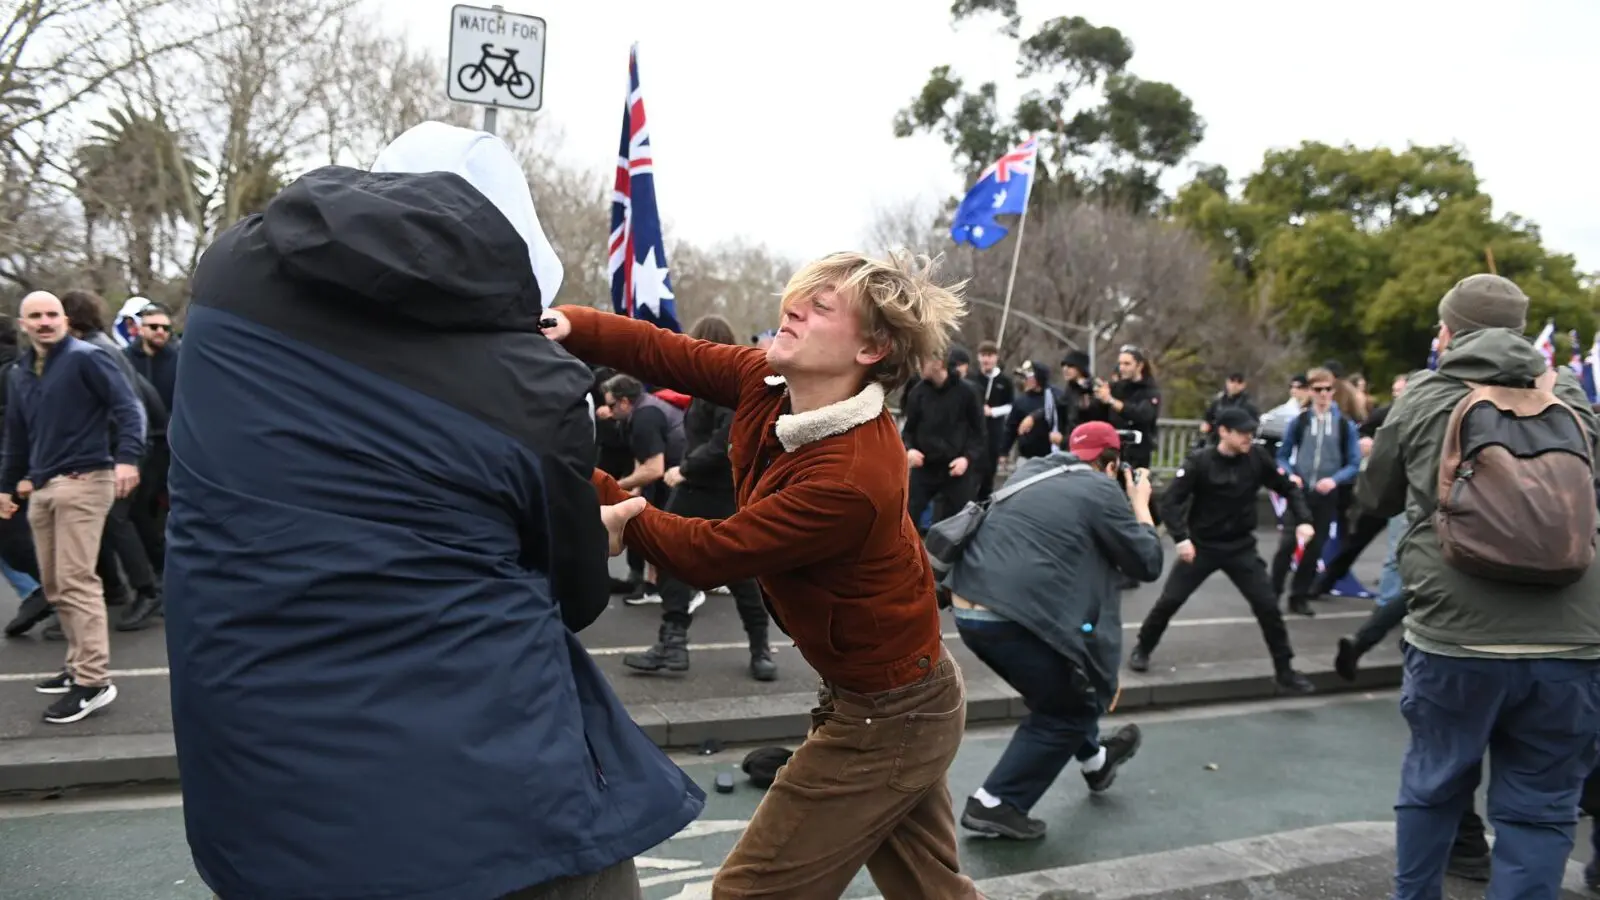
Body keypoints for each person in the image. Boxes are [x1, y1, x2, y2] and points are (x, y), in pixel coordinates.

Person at [163, 121, 701, 900]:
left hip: (253, 789)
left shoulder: (227, 278)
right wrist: (601, 532)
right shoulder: (537, 388)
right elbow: (575, 595)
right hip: (485, 810)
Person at [544, 249, 981, 899]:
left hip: (891, 713)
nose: (793, 307)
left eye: (821, 306)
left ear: (871, 349)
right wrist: (568, 326)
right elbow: (667, 353)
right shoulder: (769, 381)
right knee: (929, 889)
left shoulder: (851, 478)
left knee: (750, 893)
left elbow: (709, 553)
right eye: (797, 296)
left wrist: (586, 486)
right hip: (890, 693)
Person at [1358, 273, 1600, 900]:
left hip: (1454, 634)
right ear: (1520, 330)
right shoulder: (1569, 394)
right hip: (1572, 638)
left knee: (1434, 782)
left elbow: (1375, 494)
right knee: (1544, 804)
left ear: (1450, 330)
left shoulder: (1426, 395)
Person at [947, 421, 1163, 840]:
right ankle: (996, 803)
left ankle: (1097, 763)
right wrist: (1140, 503)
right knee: (1066, 710)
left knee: (1061, 690)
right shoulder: (1101, 489)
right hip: (1016, 618)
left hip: (969, 610)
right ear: (1112, 464)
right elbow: (1147, 562)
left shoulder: (1030, 472)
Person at [0, 291, 144, 724]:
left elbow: (128, 407)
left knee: (77, 580)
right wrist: (7, 487)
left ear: (64, 319)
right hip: (43, 485)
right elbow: (17, 438)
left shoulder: (86, 358)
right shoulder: (21, 373)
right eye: (35, 316)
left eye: (51, 314)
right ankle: (77, 664)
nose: (45, 322)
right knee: (54, 583)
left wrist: (128, 459)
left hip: (85, 480)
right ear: (23, 325)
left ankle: (93, 680)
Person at [624, 314, 776, 682]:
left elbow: (724, 438)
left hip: (703, 487)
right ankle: (760, 651)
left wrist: (685, 469)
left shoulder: (718, 385)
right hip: (732, 489)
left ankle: (674, 642)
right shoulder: (732, 382)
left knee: (672, 556)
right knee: (742, 570)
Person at [1129, 407, 1316, 695]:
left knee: (1267, 606)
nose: (1248, 437)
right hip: (1202, 546)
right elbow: (1171, 502)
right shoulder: (1200, 462)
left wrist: (1303, 519)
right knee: (1170, 600)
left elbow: (1288, 488)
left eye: (1251, 432)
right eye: (1242, 432)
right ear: (1223, 431)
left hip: (1241, 547)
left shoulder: (1257, 458)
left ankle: (1285, 670)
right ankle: (1143, 647)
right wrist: (1181, 538)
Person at [1270, 366, 1362, 617]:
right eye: (1318, 389)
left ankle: (1298, 596)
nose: (1323, 394)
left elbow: (1354, 462)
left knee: (1315, 546)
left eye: (1327, 389)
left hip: (1325, 493)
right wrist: (1291, 474)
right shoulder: (1299, 421)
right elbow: (1282, 455)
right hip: (1299, 491)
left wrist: (1335, 480)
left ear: (1334, 391)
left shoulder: (1344, 425)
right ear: (1310, 391)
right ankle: (1272, 593)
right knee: (1288, 542)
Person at [604, 372, 687, 605]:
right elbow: (642, 457)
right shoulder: (639, 411)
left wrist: (614, 487)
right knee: (647, 520)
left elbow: (654, 468)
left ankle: (673, 587)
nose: (608, 412)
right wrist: (635, 488)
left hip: (677, 474)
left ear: (624, 402)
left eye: (611, 405)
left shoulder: (645, 417)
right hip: (671, 471)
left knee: (660, 528)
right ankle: (652, 585)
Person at [902, 353, 984, 532]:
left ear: (938, 362)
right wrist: (909, 450)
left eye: (922, 361)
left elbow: (978, 433)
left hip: (956, 468)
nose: (918, 366)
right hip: (925, 465)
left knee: (955, 526)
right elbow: (908, 431)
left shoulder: (967, 392)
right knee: (906, 518)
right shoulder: (917, 393)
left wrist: (967, 459)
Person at [1097, 345, 1160, 469]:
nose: (1122, 368)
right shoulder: (1117, 388)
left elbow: (1143, 414)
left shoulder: (1150, 391)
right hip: (1114, 449)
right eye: (1120, 364)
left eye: (1127, 364)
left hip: (1138, 451)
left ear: (1139, 365)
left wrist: (1111, 401)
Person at [968, 339, 1014, 502]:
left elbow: (1011, 406)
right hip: (973, 435)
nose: (986, 359)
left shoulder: (1004, 382)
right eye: (983, 355)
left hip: (994, 434)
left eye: (990, 355)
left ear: (996, 358)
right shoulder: (971, 379)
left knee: (988, 476)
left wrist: (992, 411)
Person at [1199, 373, 1259, 442]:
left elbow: (1254, 426)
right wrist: (1206, 426)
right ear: (1227, 382)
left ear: (1243, 385)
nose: (1235, 385)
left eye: (1239, 382)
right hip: (1216, 440)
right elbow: (1207, 418)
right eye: (1232, 381)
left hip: (1238, 441)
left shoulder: (1248, 405)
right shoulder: (1218, 402)